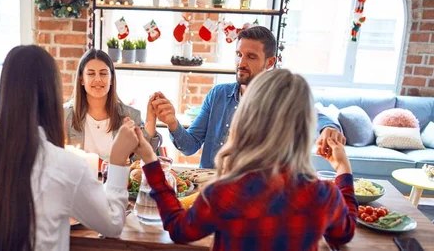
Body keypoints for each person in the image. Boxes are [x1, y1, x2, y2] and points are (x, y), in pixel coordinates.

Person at [129, 69, 357, 250]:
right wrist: (343, 170)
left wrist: (151, 161)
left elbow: (179, 229)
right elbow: (344, 234)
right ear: (305, 128)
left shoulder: (224, 192)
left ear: (247, 118)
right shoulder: (324, 195)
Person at [0, 45, 135, 251]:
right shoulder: (67, 166)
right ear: (53, 93)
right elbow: (113, 225)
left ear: (5, 90)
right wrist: (117, 161)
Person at [148, 26, 345, 168]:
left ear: (270, 62)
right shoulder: (218, 94)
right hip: (209, 186)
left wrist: (329, 128)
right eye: (238, 54)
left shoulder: (279, 98)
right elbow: (189, 147)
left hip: (252, 194)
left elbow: (315, 115)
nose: (241, 63)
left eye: (251, 57)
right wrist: (173, 123)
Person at [64, 49, 161, 159]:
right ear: (81, 79)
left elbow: (140, 161)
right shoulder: (64, 115)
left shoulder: (131, 116)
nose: (98, 79)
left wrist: (151, 120)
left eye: (103, 74)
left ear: (111, 79)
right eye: (91, 74)